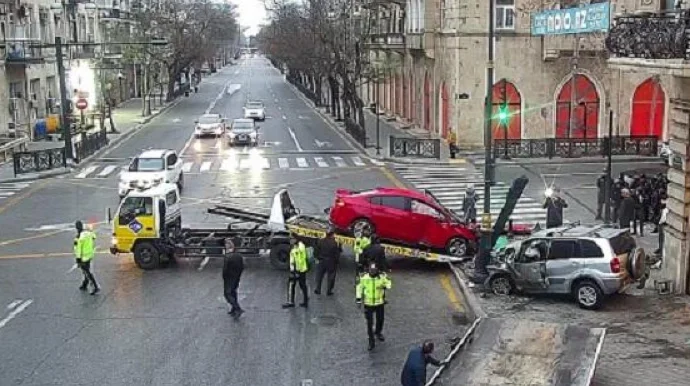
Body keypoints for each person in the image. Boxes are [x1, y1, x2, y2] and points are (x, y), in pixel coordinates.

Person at [356, 263, 392, 351]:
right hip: (368, 304)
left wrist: (384, 286)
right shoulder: (364, 277)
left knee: (380, 320)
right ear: (368, 270)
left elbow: (389, 284)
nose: (372, 272)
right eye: (371, 270)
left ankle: (378, 332)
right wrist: (358, 300)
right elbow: (359, 288)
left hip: (379, 303)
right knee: (369, 324)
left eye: (374, 270)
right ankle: (371, 342)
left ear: (377, 270)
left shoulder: (382, 276)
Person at [282, 236, 309, 308]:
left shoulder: (298, 248)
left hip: (297, 270)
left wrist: (295, 271)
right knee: (302, 285)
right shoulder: (299, 245)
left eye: (291, 239)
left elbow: (300, 260)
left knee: (291, 284)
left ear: (296, 239)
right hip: (302, 269)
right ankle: (305, 301)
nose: (290, 240)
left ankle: (291, 302)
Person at [314, 230, 342, 296]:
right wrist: (337, 261)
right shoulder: (334, 243)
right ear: (332, 235)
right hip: (331, 261)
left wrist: (318, 258)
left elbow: (316, 251)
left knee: (319, 276)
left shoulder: (320, 241)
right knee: (331, 277)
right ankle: (329, 291)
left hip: (321, 261)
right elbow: (336, 254)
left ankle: (318, 289)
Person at [74, 221, 99, 295]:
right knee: (86, 270)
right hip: (90, 254)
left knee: (86, 272)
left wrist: (78, 259)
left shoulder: (78, 237)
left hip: (83, 257)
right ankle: (84, 284)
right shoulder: (88, 233)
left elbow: (78, 249)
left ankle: (95, 287)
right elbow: (94, 237)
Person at [222, 238, 244, 319]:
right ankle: (233, 309)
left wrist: (224, 277)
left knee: (227, 294)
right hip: (236, 277)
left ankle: (237, 308)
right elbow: (242, 267)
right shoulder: (238, 255)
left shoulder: (228, 256)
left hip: (229, 278)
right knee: (234, 292)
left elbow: (225, 269)